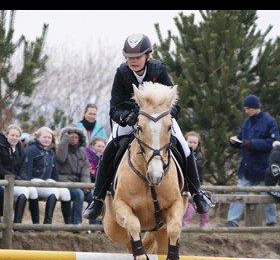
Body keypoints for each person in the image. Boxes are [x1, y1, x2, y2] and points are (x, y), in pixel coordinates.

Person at [82, 33, 212, 220]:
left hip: (159, 120)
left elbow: (174, 103)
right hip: (132, 120)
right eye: (129, 58)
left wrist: (165, 116)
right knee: (110, 148)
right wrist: (126, 117)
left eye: (137, 57)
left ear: (147, 56)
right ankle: (98, 199)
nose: (132, 61)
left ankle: (197, 193)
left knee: (184, 147)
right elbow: (114, 107)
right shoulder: (122, 73)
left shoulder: (158, 70)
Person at [226, 94, 280, 227]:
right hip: (247, 166)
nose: (245, 111)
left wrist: (253, 144)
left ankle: (271, 221)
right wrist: (235, 142)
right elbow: (242, 139)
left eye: (247, 108)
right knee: (239, 193)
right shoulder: (246, 122)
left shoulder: (270, 122)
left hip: (263, 166)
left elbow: (273, 142)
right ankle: (232, 221)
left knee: (267, 195)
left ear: (255, 108)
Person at [23, 126, 71, 224]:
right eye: (44, 137)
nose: (47, 139)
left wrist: (57, 183)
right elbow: (26, 168)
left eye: (49, 138)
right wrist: (27, 183)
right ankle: (46, 223)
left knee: (65, 192)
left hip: (46, 181)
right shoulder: (31, 150)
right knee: (54, 192)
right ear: (37, 137)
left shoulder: (50, 152)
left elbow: (54, 172)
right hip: (33, 181)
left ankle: (69, 225)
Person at [0, 124, 39, 223]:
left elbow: (22, 167)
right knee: (24, 192)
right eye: (12, 135)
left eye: (17, 136)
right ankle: (17, 223)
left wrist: (23, 178)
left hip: (17, 180)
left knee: (33, 190)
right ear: (6, 135)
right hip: (3, 181)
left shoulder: (20, 148)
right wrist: (14, 177)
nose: (14, 138)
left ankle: (36, 224)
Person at [55, 125, 92, 224]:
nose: (74, 139)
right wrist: (65, 140)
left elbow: (85, 170)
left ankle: (94, 226)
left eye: (76, 137)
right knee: (79, 194)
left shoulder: (81, 151)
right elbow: (60, 158)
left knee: (92, 196)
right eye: (71, 137)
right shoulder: (61, 149)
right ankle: (77, 223)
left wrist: (86, 185)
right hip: (64, 182)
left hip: (79, 183)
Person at [182, 131, 209, 229]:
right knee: (188, 203)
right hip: (185, 182)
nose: (192, 144)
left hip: (196, 183)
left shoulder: (199, 156)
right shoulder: (182, 153)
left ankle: (203, 223)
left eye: (195, 143)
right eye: (190, 142)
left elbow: (196, 168)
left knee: (199, 202)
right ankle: (185, 222)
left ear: (198, 144)